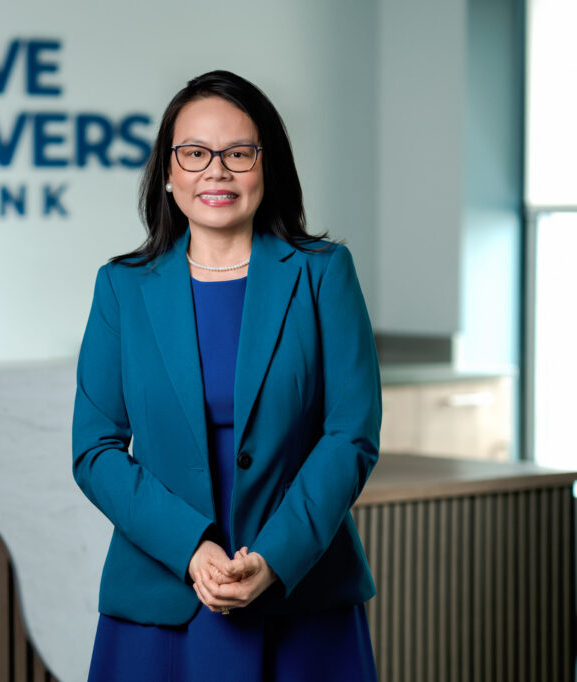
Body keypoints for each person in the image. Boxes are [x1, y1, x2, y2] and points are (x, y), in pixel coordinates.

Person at [71, 70, 381, 681]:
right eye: (195, 153)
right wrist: (191, 550)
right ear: (168, 170)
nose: (217, 170)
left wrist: (274, 555)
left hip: (301, 593)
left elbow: (351, 433)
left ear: (268, 166)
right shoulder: (122, 287)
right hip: (162, 599)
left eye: (239, 153)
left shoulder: (323, 274)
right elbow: (94, 450)